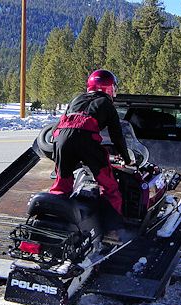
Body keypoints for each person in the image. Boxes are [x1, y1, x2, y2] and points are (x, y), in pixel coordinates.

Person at [49, 69, 132, 235]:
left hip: (61, 140)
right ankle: (112, 230)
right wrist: (126, 158)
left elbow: (61, 125)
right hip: (87, 140)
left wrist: (59, 154)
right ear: (109, 88)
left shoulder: (76, 99)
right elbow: (117, 136)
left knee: (61, 185)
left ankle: (55, 223)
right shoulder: (107, 104)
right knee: (109, 187)